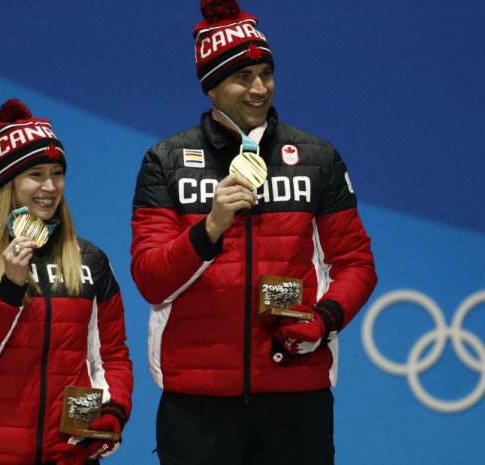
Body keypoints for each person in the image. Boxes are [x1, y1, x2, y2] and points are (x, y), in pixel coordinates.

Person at [130, 1, 377, 464]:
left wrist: (323, 320)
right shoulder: (166, 161)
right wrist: (209, 229)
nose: (259, 88)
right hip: (198, 405)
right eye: (243, 77)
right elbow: (149, 278)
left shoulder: (317, 158)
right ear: (212, 85)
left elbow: (357, 264)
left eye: (266, 73)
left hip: (297, 398)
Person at [0, 99, 133, 465]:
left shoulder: (89, 258)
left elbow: (110, 354)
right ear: (9, 183)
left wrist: (112, 412)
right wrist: (9, 289)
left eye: (57, 173)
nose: (50, 186)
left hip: (72, 455)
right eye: (36, 174)